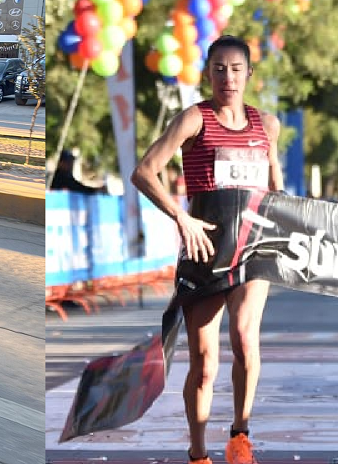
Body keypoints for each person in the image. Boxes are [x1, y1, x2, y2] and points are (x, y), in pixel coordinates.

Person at [131, 35, 284, 464]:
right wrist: (181, 217)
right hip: (205, 253)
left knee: (245, 340)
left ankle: (240, 435)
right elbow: (143, 172)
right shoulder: (193, 120)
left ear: (249, 74)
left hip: (253, 249)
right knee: (204, 363)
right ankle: (198, 454)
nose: (228, 78)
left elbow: (277, 187)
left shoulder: (266, 125)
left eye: (236, 69)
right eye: (219, 69)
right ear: (208, 73)